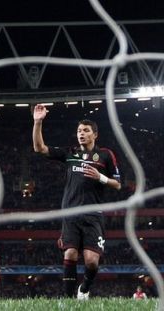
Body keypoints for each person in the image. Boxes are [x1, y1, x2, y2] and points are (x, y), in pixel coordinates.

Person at [32, 104, 121, 300]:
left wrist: (101, 177)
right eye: (79, 131)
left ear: (95, 135)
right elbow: (40, 148)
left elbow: (118, 184)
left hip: (93, 215)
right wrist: (38, 122)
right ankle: (69, 299)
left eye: (86, 131)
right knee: (70, 254)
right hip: (70, 213)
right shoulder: (69, 153)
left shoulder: (105, 155)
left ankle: (85, 289)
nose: (81, 134)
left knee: (91, 262)